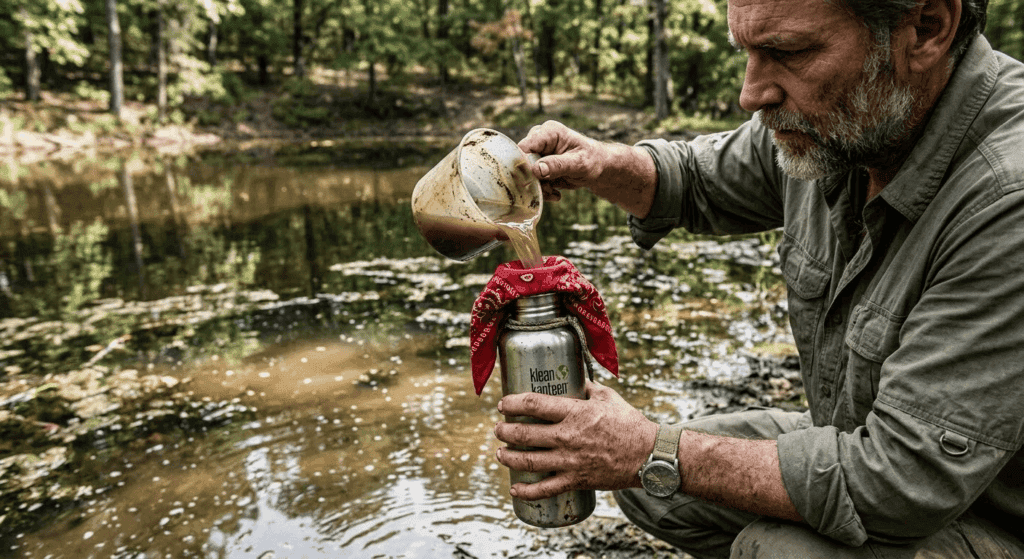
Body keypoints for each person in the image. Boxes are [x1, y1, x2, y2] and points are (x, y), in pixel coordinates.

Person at [492, 0, 1024, 556]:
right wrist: (602, 163)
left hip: (986, 510)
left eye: (789, 52)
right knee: (653, 490)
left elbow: (900, 481)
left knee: (765, 542)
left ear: (926, 29)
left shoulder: (1005, 195)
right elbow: (697, 178)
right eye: (747, 53)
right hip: (882, 454)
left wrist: (652, 450)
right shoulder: (853, 124)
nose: (751, 94)